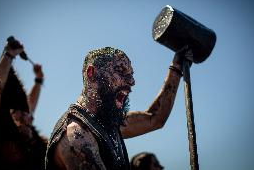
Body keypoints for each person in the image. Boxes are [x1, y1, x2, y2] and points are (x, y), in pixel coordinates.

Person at [45, 47, 186, 170]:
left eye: (131, 74)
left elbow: (154, 118)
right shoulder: (77, 137)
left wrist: (177, 66)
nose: (132, 81)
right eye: (120, 71)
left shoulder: (107, 123)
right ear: (91, 73)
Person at [0, 37, 47, 170]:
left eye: (27, 115)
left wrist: (38, 80)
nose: (27, 116)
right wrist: (9, 55)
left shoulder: (38, 146)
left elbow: (30, 104)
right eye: (19, 114)